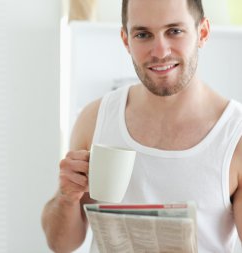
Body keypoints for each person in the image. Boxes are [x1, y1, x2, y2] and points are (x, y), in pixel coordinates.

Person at [41, 0, 242, 252]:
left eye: (174, 31)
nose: (159, 51)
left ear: (202, 32)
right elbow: (61, 244)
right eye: (143, 34)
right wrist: (66, 197)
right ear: (126, 40)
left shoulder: (235, 135)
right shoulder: (94, 119)